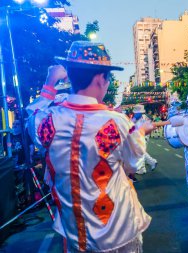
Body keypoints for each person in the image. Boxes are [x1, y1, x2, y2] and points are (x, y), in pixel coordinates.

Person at [26, 41, 154, 252]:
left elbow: (31, 117)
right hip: (118, 232)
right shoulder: (117, 122)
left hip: (75, 233)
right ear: (99, 78)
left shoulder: (48, 119)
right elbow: (133, 165)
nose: (107, 84)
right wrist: (141, 132)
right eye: (108, 78)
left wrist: (50, 81)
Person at [132, 104, 158, 174]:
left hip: (142, 136)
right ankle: (150, 163)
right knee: (141, 151)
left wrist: (133, 119)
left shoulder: (139, 117)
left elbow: (132, 125)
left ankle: (143, 168)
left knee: (141, 152)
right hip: (144, 135)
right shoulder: (145, 117)